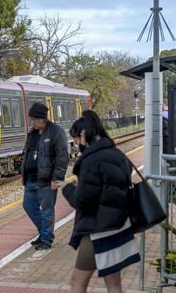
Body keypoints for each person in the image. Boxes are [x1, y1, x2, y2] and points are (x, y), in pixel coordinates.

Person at [62, 110, 140, 293]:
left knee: (77, 282)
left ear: (83, 134)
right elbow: (111, 186)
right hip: (119, 224)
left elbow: (82, 201)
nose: (77, 144)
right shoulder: (117, 154)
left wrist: (68, 188)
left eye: (76, 140)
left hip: (97, 230)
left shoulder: (90, 161)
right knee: (113, 283)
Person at [21, 102, 69, 250]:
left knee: (47, 210)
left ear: (42, 119)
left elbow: (62, 156)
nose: (32, 122)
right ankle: (44, 233)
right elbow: (27, 153)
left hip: (47, 180)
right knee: (28, 206)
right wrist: (23, 172)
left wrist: (58, 178)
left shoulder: (55, 132)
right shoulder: (33, 133)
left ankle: (46, 240)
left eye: (34, 120)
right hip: (31, 179)